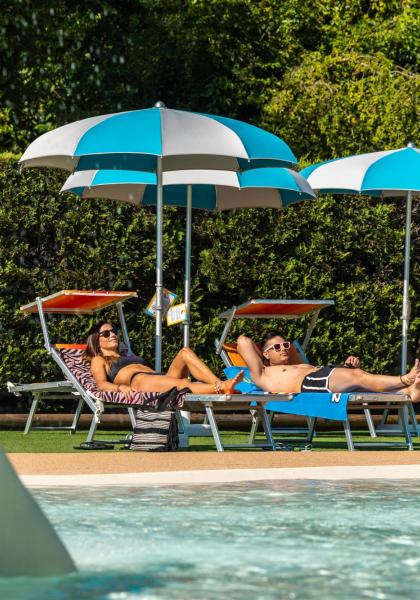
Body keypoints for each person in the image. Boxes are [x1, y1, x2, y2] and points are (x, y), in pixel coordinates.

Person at [236, 331, 420, 401]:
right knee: (359, 377)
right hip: (310, 383)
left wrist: (344, 365)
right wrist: (264, 355)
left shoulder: (296, 364)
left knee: (359, 380)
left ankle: (408, 391)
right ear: (265, 353)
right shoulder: (262, 373)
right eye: (276, 347)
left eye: (285, 346)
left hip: (321, 376)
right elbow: (242, 340)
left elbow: (290, 346)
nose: (283, 349)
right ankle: (405, 379)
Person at [85, 321, 243, 396]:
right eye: (106, 333)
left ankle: (219, 384)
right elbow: (101, 384)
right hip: (140, 382)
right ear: (96, 340)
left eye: (114, 331)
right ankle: (222, 387)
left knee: (185, 352)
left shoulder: (126, 354)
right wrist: (120, 388)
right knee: (183, 384)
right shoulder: (99, 359)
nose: (112, 334)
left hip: (157, 377)